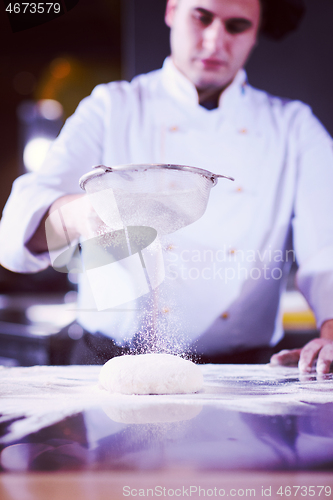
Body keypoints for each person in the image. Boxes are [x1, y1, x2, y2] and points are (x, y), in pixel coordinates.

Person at [0, 0, 333, 372]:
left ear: (256, 33)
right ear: (172, 10)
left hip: (239, 372)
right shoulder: (113, 107)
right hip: (108, 362)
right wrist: (91, 213)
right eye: (201, 17)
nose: (214, 41)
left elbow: (327, 247)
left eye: (236, 26)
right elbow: (16, 231)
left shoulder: (292, 127)